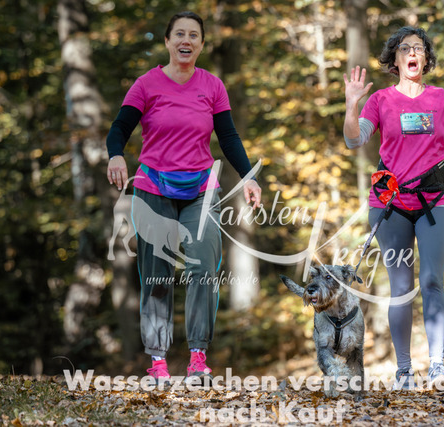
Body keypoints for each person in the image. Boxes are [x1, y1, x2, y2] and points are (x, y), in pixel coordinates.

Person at [105, 11, 261, 382]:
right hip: (153, 189)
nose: (185, 40)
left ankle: (197, 358)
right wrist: (115, 155)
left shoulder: (213, 86)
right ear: (167, 41)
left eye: (193, 35)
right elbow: (119, 128)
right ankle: (158, 360)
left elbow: (228, 137)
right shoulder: (146, 84)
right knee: (157, 275)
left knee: (203, 269)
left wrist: (249, 176)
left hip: (201, 190)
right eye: (179, 34)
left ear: (202, 44)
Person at [342, 26, 444, 389]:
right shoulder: (380, 100)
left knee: (431, 280)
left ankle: (438, 366)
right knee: (400, 288)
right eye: (404, 48)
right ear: (394, 60)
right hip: (390, 204)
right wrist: (351, 106)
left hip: (436, 201)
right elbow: (354, 140)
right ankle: (404, 371)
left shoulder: (442, 98)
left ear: (426, 59)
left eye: (419, 48)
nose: (412, 52)